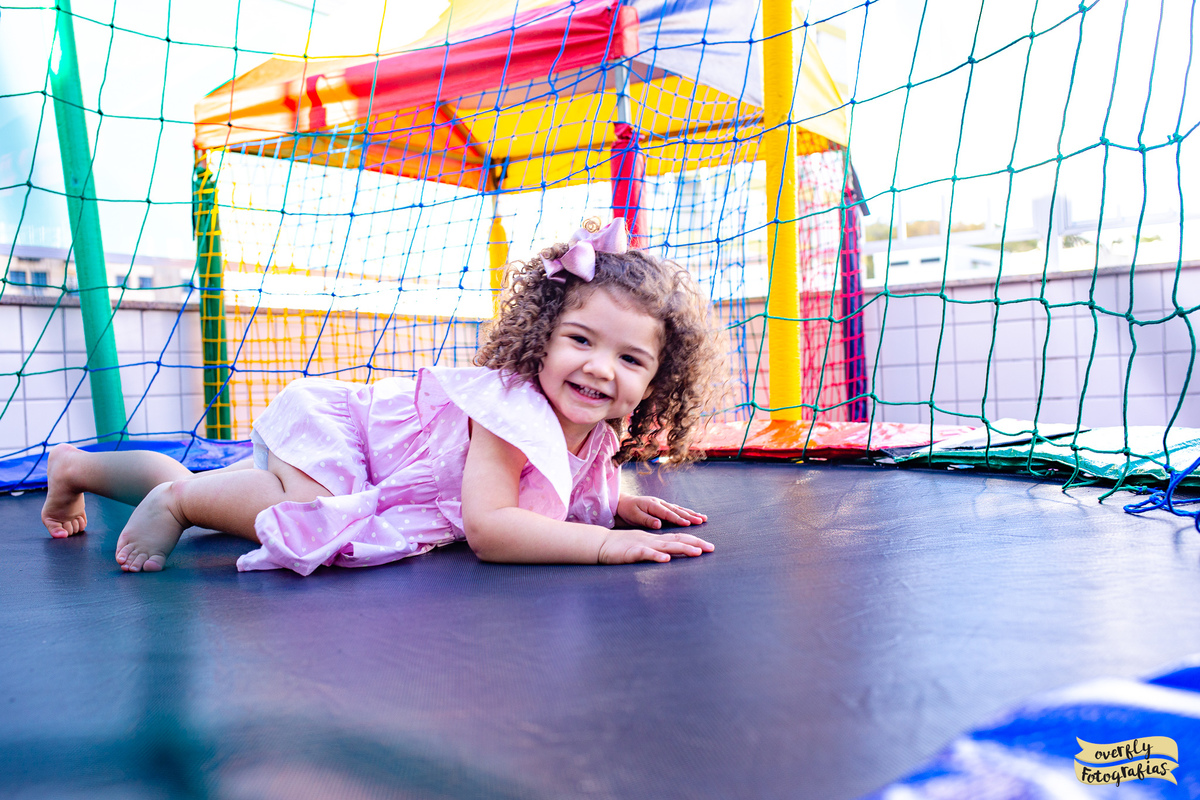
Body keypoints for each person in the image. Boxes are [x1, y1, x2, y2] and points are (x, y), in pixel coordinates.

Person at [40, 218, 722, 574]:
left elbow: (548, 486)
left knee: (244, 497)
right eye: (581, 340)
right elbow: (491, 527)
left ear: (654, 380)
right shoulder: (507, 413)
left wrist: (615, 501)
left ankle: (75, 466)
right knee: (307, 511)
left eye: (629, 358)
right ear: (543, 338)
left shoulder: (600, 434)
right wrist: (601, 547)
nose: (600, 369)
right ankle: (178, 501)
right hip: (348, 436)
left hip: (372, 460)